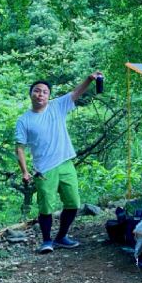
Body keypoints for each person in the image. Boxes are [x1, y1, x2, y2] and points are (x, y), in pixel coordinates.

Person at [14, 71, 102, 253]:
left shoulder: (57, 106)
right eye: (37, 91)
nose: (41, 94)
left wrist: (89, 79)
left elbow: (76, 93)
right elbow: (20, 148)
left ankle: (61, 236)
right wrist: (24, 171)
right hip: (44, 169)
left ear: (49, 96)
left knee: (73, 203)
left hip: (65, 162)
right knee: (46, 206)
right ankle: (46, 241)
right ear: (31, 94)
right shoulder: (24, 120)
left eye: (45, 92)